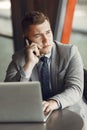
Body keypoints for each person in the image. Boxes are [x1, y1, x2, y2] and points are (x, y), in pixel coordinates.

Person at [4, 11, 84, 115]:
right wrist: (29, 64)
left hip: (70, 112)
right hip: (36, 115)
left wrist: (52, 103)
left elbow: (75, 89)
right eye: (38, 36)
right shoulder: (19, 59)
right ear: (27, 39)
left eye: (48, 32)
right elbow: (9, 94)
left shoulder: (70, 52)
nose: (46, 40)